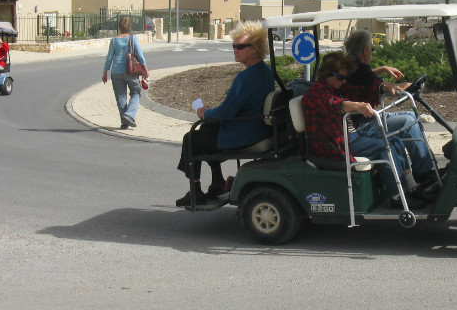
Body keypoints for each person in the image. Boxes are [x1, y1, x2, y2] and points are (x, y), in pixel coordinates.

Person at [301, 51, 426, 209]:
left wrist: (387, 88)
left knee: (394, 139)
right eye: (341, 77)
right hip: (333, 144)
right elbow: (334, 104)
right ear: (328, 74)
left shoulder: (337, 87)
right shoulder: (316, 93)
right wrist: (356, 105)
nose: (343, 81)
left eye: (345, 77)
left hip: (347, 136)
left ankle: (411, 186)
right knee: (384, 147)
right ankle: (397, 196)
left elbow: (359, 91)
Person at [176, 21, 275, 206]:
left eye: (240, 46)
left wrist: (204, 112)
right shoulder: (264, 71)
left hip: (245, 132)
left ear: (255, 48)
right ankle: (217, 182)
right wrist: (210, 117)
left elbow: (226, 111)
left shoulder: (246, 77)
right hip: (257, 127)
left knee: (191, 139)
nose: (235, 50)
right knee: (208, 127)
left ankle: (195, 190)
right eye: (234, 46)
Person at [342, 30, 437, 188]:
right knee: (407, 121)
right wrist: (401, 87)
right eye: (372, 49)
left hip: (364, 118)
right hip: (360, 125)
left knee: (409, 115)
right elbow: (381, 86)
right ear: (365, 50)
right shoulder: (358, 70)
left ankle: (420, 174)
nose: (372, 52)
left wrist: (382, 69)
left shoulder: (351, 66)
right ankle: (424, 172)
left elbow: (364, 78)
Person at [102, 16, 149, 129]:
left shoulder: (114, 40)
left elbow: (109, 58)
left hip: (116, 71)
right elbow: (139, 54)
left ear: (119, 27)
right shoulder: (133, 39)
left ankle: (124, 122)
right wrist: (145, 69)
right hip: (131, 71)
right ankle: (129, 114)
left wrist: (105, 72)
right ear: (129, 27)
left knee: (121, 97)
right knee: (136, 93)